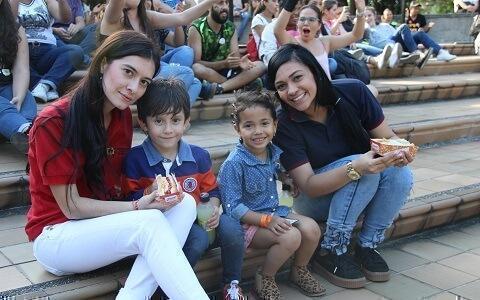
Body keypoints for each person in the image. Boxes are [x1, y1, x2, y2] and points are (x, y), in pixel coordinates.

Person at [25, 30, 209, 300]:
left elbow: (116, 185)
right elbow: (72, 208)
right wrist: (137, 207)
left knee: (185, 203)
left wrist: (150, 195)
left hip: (104, 227)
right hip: (57, 236)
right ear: (103, 64)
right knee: (148, 223)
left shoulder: (120, 117)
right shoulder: (53, 121)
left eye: (144, 81)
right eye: (128, 72)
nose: (134, 88)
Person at [267, 44, 414, 289]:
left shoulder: (353, 91)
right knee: (360, 169)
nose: (292, 91)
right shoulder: (284, 123)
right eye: (282, 86)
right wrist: (356, 167)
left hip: (358, 188)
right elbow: (308, 186)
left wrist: (402, 151)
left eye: (297, 78)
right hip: (312, 200)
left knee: (398, 172)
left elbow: (388, 139)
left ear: (315, 71)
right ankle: (332, 249)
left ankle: (367, 245)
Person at [122, 79, 246, 300]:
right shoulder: (135, 159)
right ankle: (166, 289)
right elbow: (129, 199)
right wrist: (146, 193)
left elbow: (213, 191)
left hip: (202, 218)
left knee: (231, 226)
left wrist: (215, 209)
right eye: (159, 121)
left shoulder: (198, 156)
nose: (168, 129)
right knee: (197, 239)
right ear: (143, 123)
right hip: (166, 226)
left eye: (176, 120)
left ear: (187, 122)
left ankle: (231, 283)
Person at [218, 91, 325, 300]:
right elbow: (232, 207)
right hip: (251, 223)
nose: (258, 131)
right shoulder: (234, 163)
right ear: (237, 128)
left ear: (275, 125)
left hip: (276, 212)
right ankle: (264, 278)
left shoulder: (273, 151)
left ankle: (299, 270)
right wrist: (266, 221)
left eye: (264, 123)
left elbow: (279, 173)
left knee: (312, 229)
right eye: (249, 125)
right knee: (291, 236)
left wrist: (287, 185)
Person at [100, 0, 217, 104]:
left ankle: (173, 119)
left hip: (150, 71)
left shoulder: (146, 16)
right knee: (187, 74)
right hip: (128, 76)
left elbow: (182, 18)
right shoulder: (113, 15)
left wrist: (211, 1)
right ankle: (160, 110)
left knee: (195, 81)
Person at [11, 0, 84, 102]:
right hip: (21, 53)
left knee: (76, 51)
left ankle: (44, 85)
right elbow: (8, 22)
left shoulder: (45, 1)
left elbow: (66, 19)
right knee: (10, 58)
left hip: (47, 52)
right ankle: (48, 86)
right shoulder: (9, 2)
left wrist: (62, 2)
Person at [188, 0, 266, 95]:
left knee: (260, 65)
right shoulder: (196, 27)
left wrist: (240, 63)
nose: (225, 6)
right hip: (209, 74)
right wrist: (223, 64)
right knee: (197, 68)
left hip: (228, 73)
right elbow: (196, 62)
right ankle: (237, 85)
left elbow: (235, 57)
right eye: (220, 3)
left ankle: (221, 88)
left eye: (226, 3)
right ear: (208, 6)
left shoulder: (230, 26)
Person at [274, 0, 366, 79]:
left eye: (311, 19)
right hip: (307, 95)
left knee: (369, 89)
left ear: (319, 25)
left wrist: (360, 12)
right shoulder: (293, 44)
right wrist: (291, 2)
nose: (306, 22)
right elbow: (278, 30)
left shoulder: (325, 42)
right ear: (297, 24)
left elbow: (356, 35)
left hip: (327, 91)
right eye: (302, 19)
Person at [0, 0, 36, 154]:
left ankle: (25, 133)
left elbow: (21, 69)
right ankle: (32, 135)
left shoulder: (14, 28)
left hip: (5, 88)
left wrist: (18, 96)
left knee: (26, 96)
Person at [361, 7, 435, 69]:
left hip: (394, 44)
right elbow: (364, 43)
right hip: (382, 49)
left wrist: (413, 43)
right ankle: (417, 57)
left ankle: (413, 55)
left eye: (369, 15)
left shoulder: (385, 25)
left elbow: (398, 34)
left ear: (374, 15)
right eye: (364, 16)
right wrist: (364, 25)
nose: (367, 18)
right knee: (402, 34)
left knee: (404, 27)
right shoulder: (365, 30)